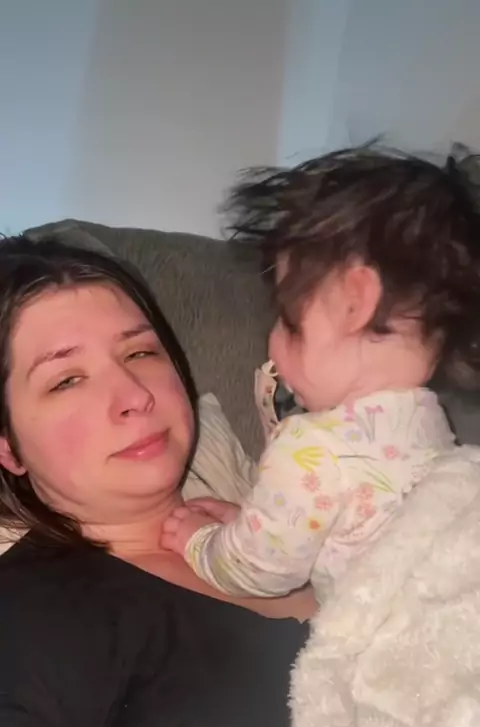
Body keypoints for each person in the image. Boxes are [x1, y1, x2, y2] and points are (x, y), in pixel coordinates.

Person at [0, 236, 313, 727]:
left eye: (140, 352)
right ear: (7, 448)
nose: (134, 396)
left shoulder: (307, 529)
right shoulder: (22, 622)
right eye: (66, 379)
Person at [161, 144, 480, 604]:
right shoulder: (429, 426)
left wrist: (200, 541)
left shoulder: (312, 447)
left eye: (289, 324)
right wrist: (250, 523)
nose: (272, 343)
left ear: (355, 303)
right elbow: (343, 537)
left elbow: (258, 570)